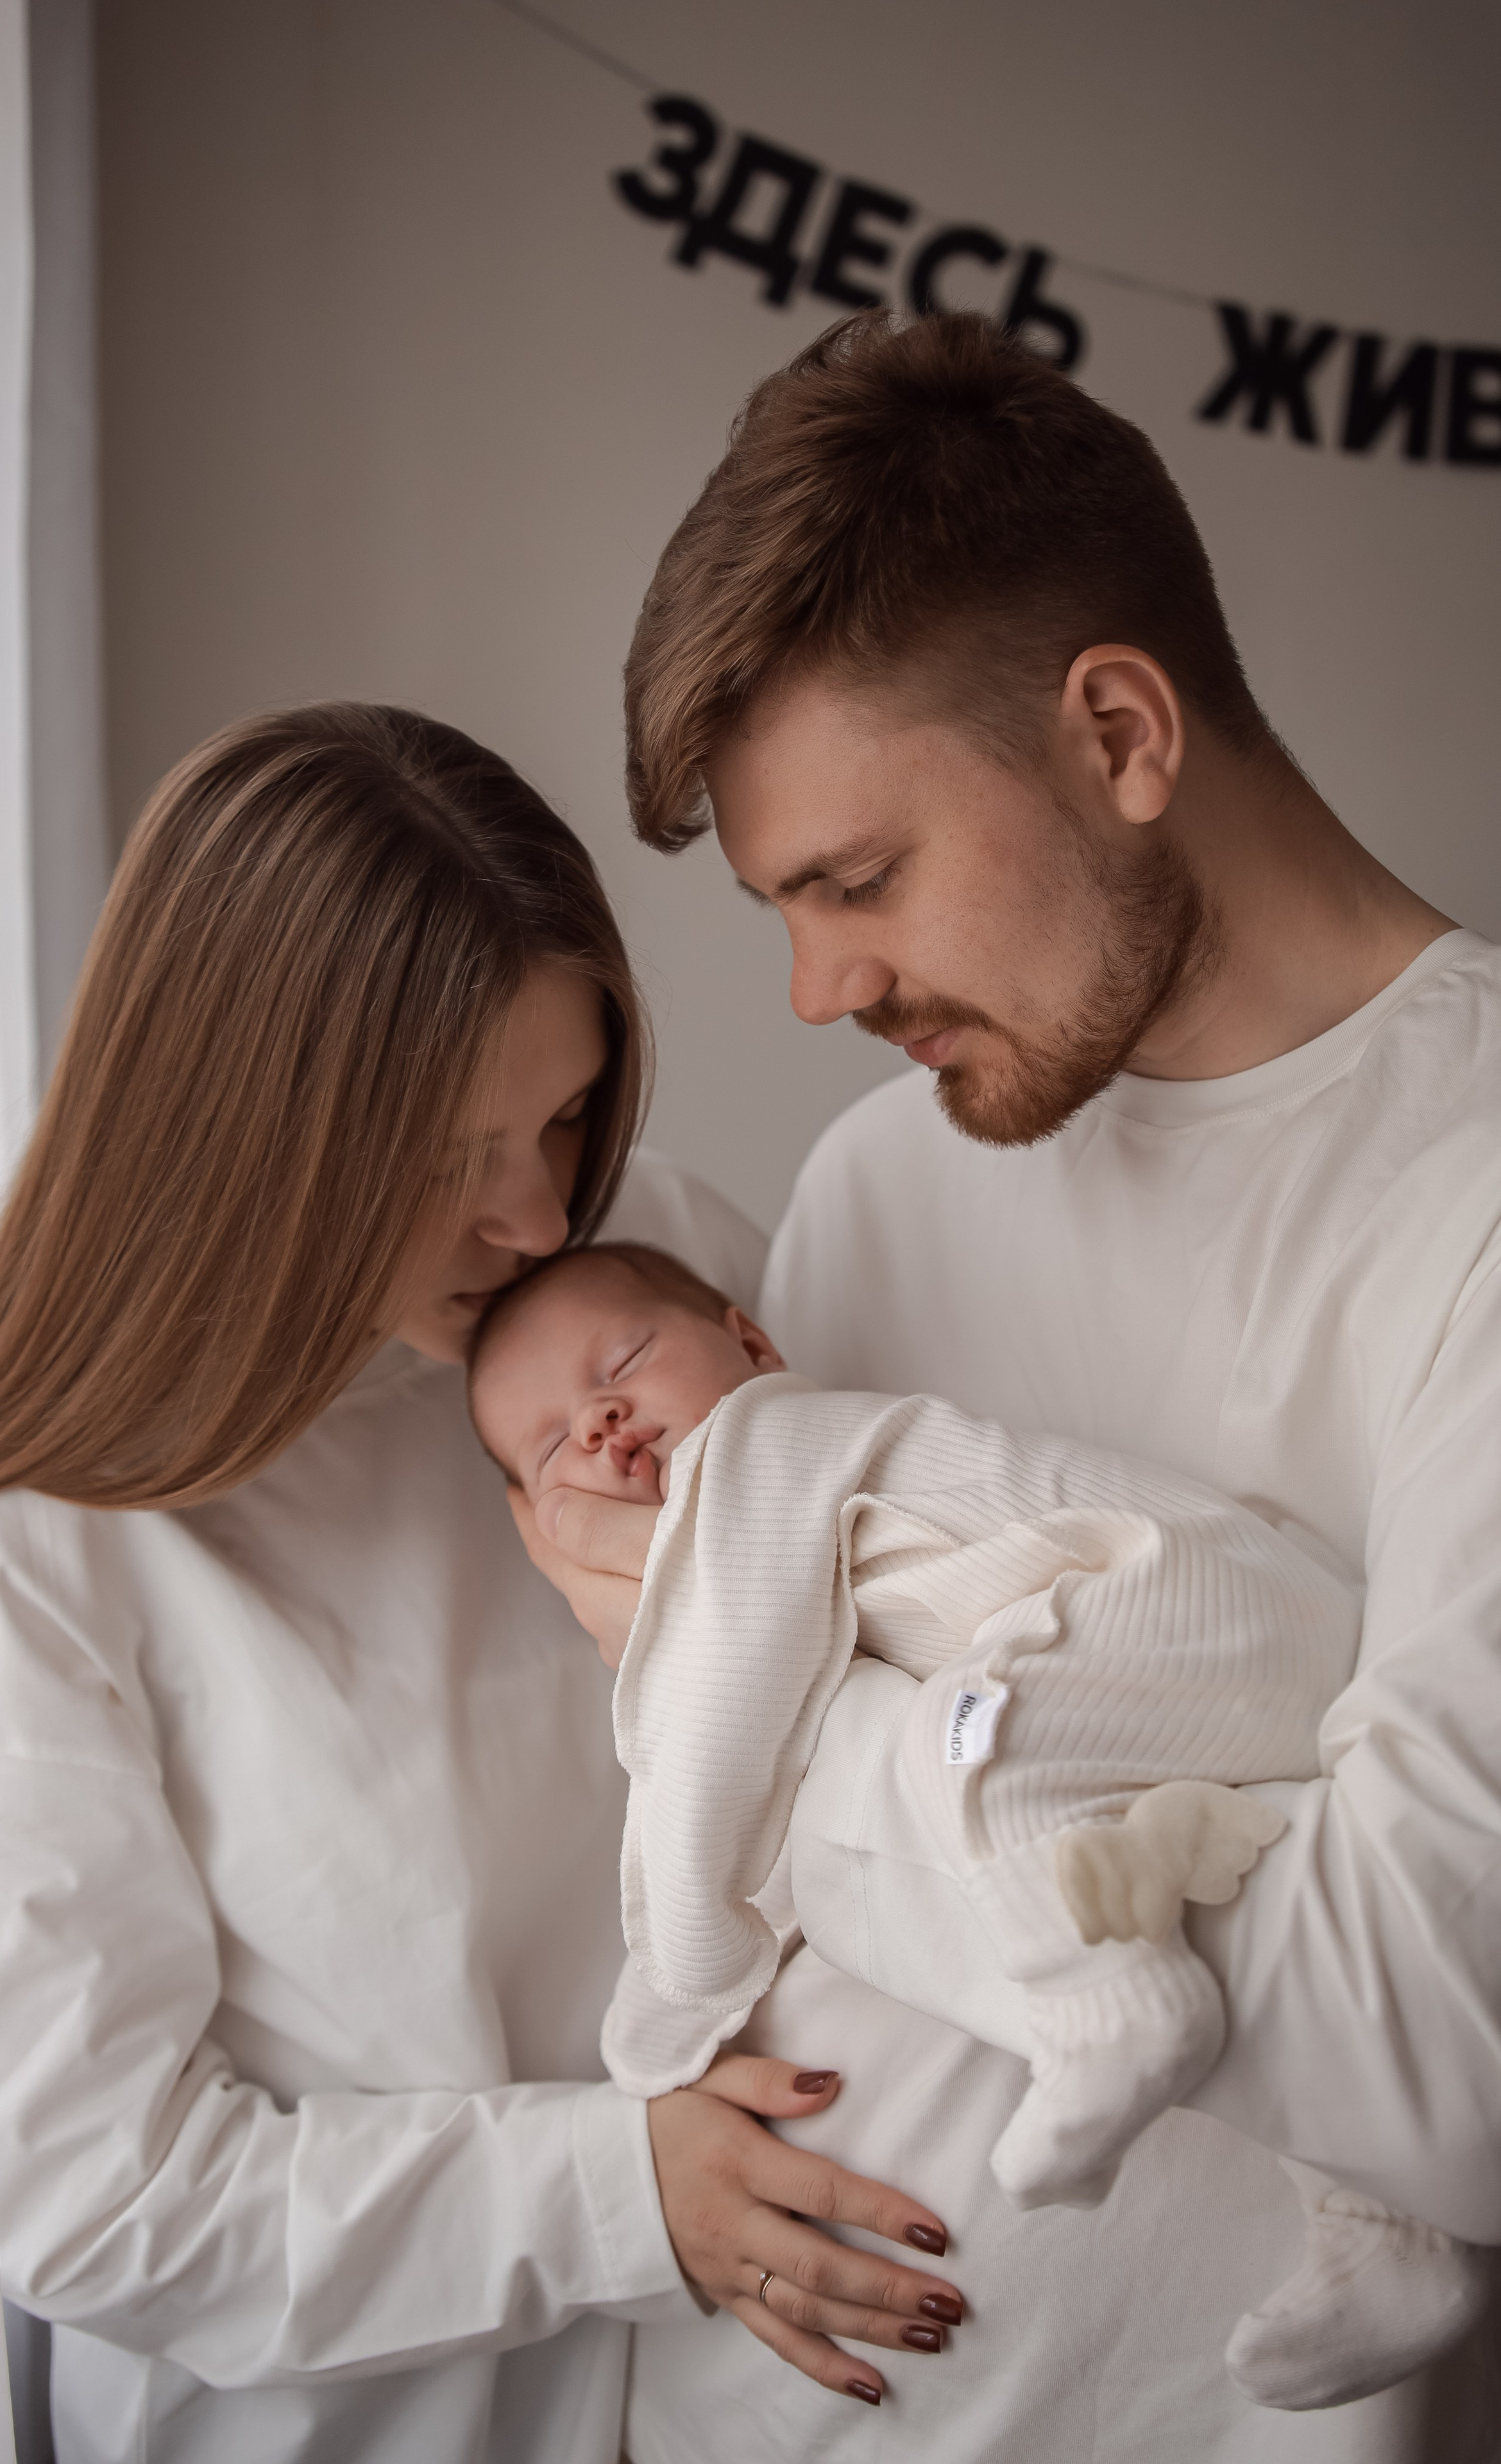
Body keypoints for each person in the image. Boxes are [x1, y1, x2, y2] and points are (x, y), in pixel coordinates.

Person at [516, 314, 1501, 2458]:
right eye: (781, 909)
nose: (820, 988)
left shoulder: (1475, 1186)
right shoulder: (885, 1182)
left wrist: (761, 1698)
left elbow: (1447, 2037)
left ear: (1122, 734)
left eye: (858, 882)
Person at [0, 702, 965, 2464]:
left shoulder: (646, 1276)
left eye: (562, 1115)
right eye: (439, 1160)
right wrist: (627, 2191)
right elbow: (98, 2195)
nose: (539, 1220)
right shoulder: (40, 1530)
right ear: (232, 1140)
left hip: (739, 2402)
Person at [469, 1236, 1484, 2413]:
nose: (600, 1421)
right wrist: (687, 2037)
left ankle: (1119, 1996)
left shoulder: (758, 1452)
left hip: (1164, 1598)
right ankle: (1381, 2212)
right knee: (1197, 1874)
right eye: (553, 1446)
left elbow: (714, 1740)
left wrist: (667, 2014)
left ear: (750, 1344)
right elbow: (780, 1793)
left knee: (961, 1752)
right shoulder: (764, 1560)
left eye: (624, 1362)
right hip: (1184, 1675)